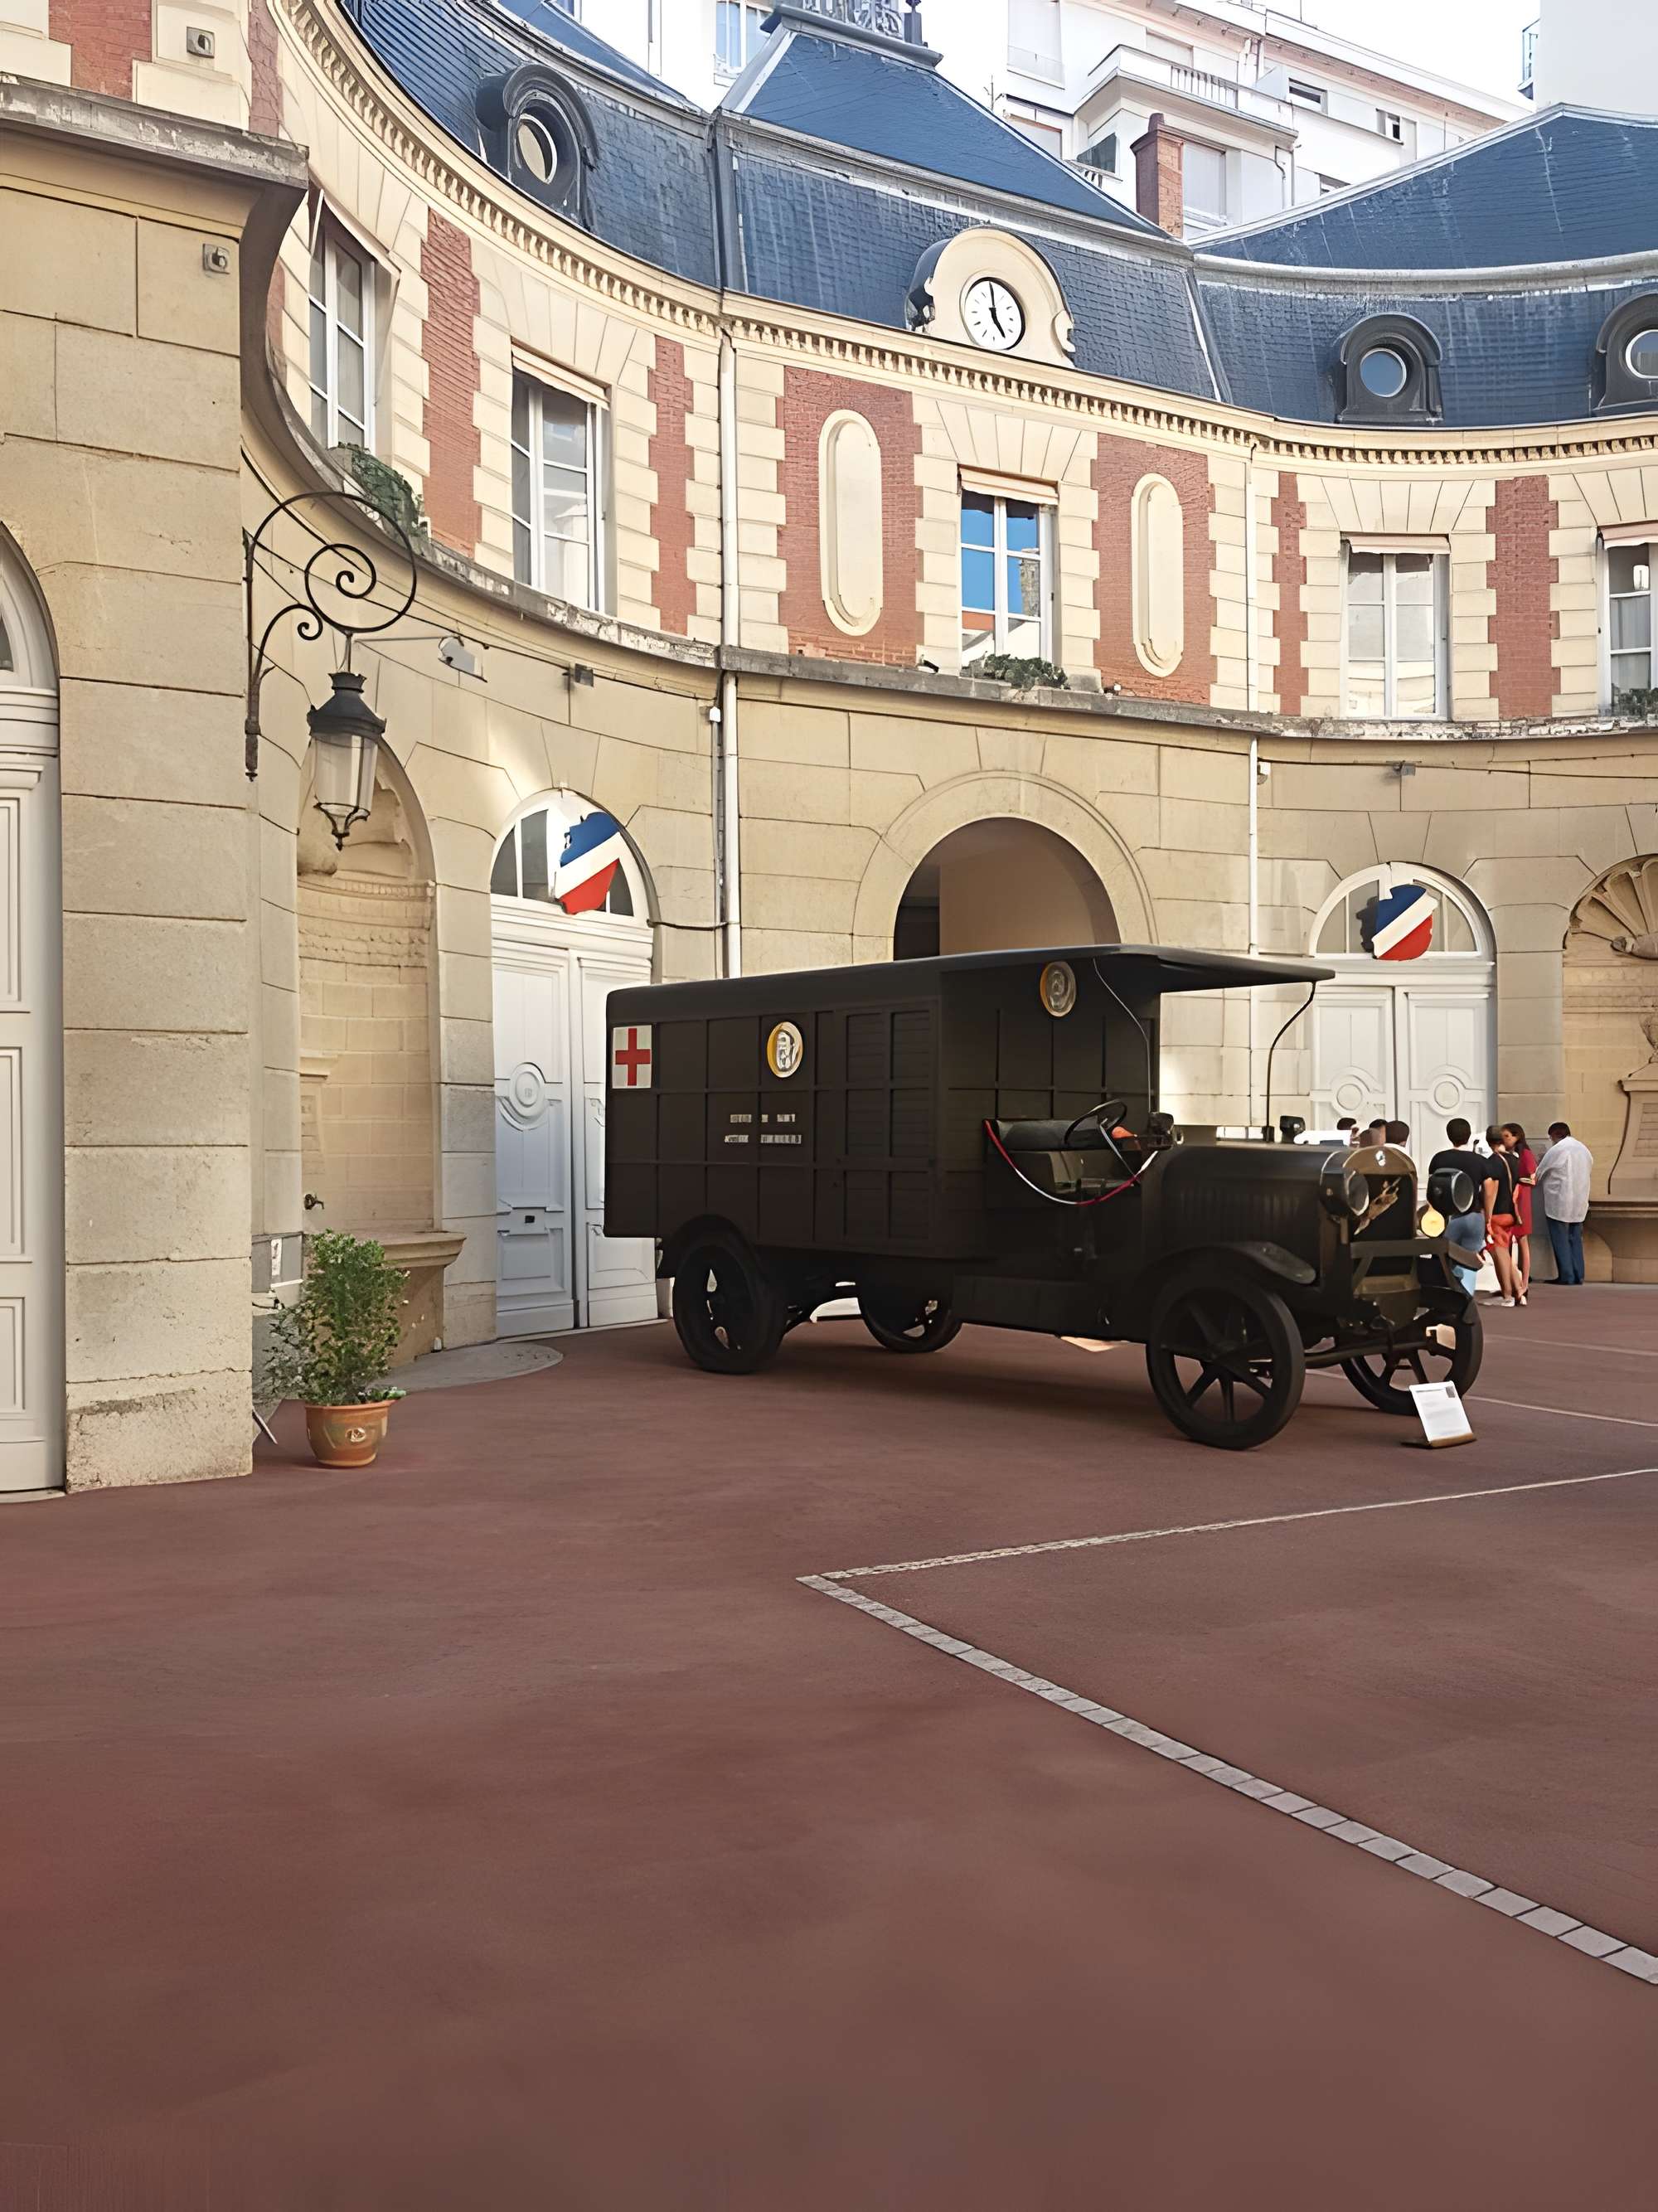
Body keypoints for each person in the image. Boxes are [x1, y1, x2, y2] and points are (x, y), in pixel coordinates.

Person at [1428, 1117, 1499, 1296]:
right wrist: (1488, 1216)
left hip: (1447, 1218)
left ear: (1448, 1135)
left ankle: (1444, 1296)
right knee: (1469, 1259)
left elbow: (1433, 1189)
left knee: (1441, 1258)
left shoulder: (1439, 1159)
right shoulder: (1479, 1160)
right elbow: (1489, 1188)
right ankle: (1466, 1299)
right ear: (1468, 1136)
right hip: (1474, 1215)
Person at [1535, 1121, 1593, 1285]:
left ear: (1554, 1135)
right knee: (1575, 1238)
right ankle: (1578, 1274)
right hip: (1579, 1200)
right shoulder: (1584, 1149)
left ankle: (1566, 1276)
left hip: (1559, 1200)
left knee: (1560, 1239)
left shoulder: (1557, 1150)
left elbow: (1539, 1173)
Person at [1482, 1125, 1521, 1305]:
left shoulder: (1493, 1161)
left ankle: (1507, 1295)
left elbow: (1491, 1191)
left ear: (1489, 1141)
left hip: (1498, 1213)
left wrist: (1487, 1218)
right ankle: (1519, 1290)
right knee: (1506, 1253)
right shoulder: (1514, 1160)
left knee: (1501, 1254)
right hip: (1512, 1212)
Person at [1500, 1123, 1538, 1299]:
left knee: (1522, 1240)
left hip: (1521, 1199)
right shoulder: (1508, 1155)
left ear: (1517, 1136)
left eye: (1507, 1136)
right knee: (1507, 1240)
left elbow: (1532, 1179)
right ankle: (1509, 1280)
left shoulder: (1525, 1154)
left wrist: (1517, 1182)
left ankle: (1524, 1283)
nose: (1505, 1140)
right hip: (1511, 1198)